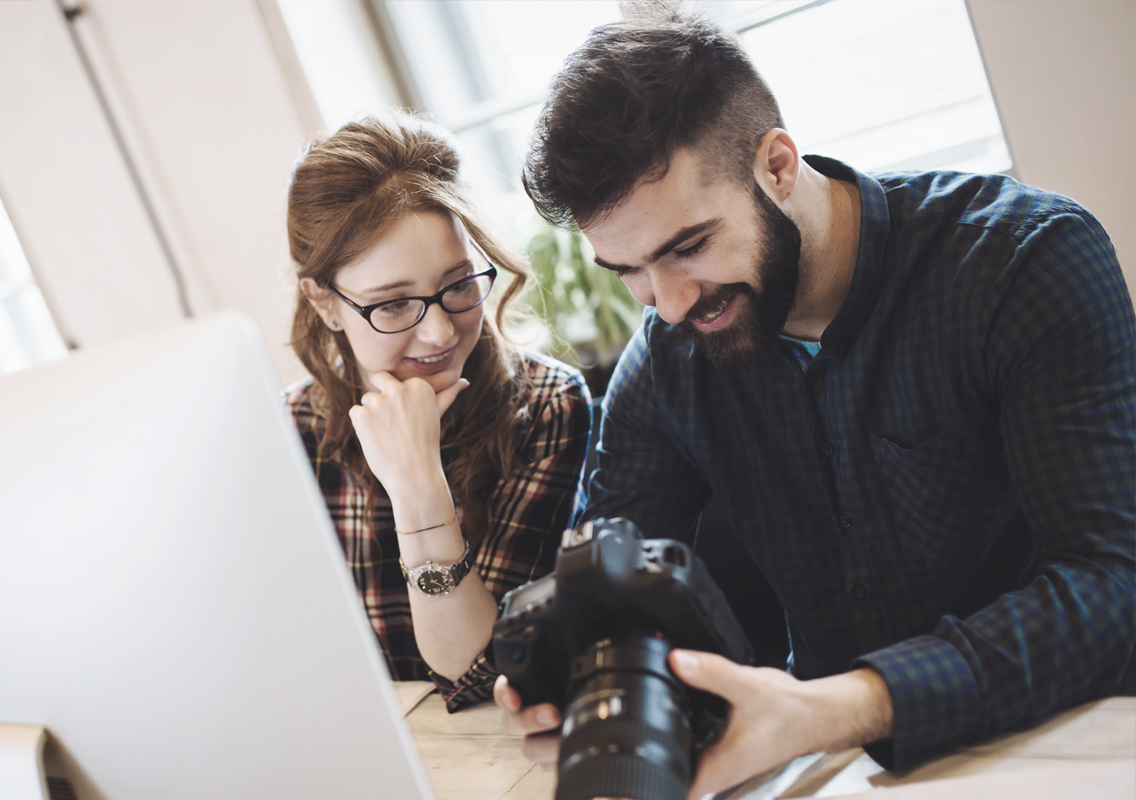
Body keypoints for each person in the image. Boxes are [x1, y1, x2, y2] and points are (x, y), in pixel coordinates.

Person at [495, 5, 1135, 797]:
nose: (664, 305)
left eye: (688, 246)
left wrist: (838, 707)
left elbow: (1112, 586)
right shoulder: (670, 358)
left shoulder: (1022, 264)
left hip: (1068, 734)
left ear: (778, 164)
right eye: (625, 269)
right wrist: (571, 675)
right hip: (836, 761)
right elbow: (599, 576)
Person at [284, 113, 592, 711]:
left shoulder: (547, 406)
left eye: (457, 283)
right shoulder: (287, 435)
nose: (439, 332)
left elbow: (478, 675)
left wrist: (419, 487)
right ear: (324, 303)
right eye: (394, 304)